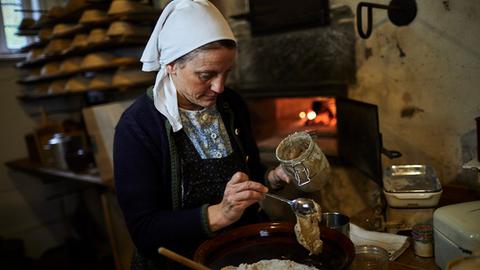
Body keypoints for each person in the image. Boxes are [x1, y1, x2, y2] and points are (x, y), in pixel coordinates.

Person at [113, 0, 290, 269]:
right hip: (179, 261)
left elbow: (248, 174)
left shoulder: (231, 105)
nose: (219, 87)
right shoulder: (137, 127)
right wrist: (220, 214)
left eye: (226, 73)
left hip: (240, 252)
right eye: (206, 75)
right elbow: (144, 230)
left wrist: (272, 177)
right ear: (171, 65)